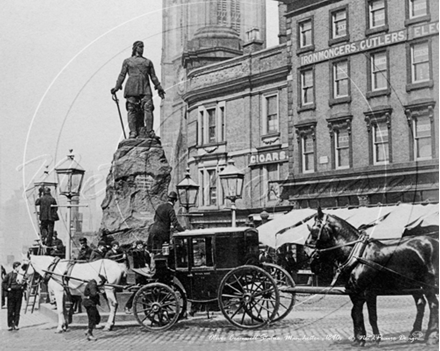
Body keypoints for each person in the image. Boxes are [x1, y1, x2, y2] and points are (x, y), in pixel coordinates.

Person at [110, 40, 165, 139]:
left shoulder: (148, 62)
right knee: (132, 109)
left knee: (148, 107)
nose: (142, 49)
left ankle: (150, 131)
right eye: (140, 47)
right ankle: (133, 132)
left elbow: (153, 77)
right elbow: (122, 75)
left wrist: (159, 87)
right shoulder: (128, 61)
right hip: (132, 87)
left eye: (143, 47)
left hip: (145, 87)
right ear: (135, 48)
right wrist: (117, 87)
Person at [2, 262, 26, 331]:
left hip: (19, 293)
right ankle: (10, 325)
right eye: (19, 267)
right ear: (15, 267)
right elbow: (3, 283)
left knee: (17, 310)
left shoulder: (21, 275)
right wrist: (7, 288)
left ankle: (16, 324)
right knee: (10, 310)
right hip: (11, 293)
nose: (20, 268)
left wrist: (23, 287)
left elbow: (25, 283)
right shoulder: (9, 275)